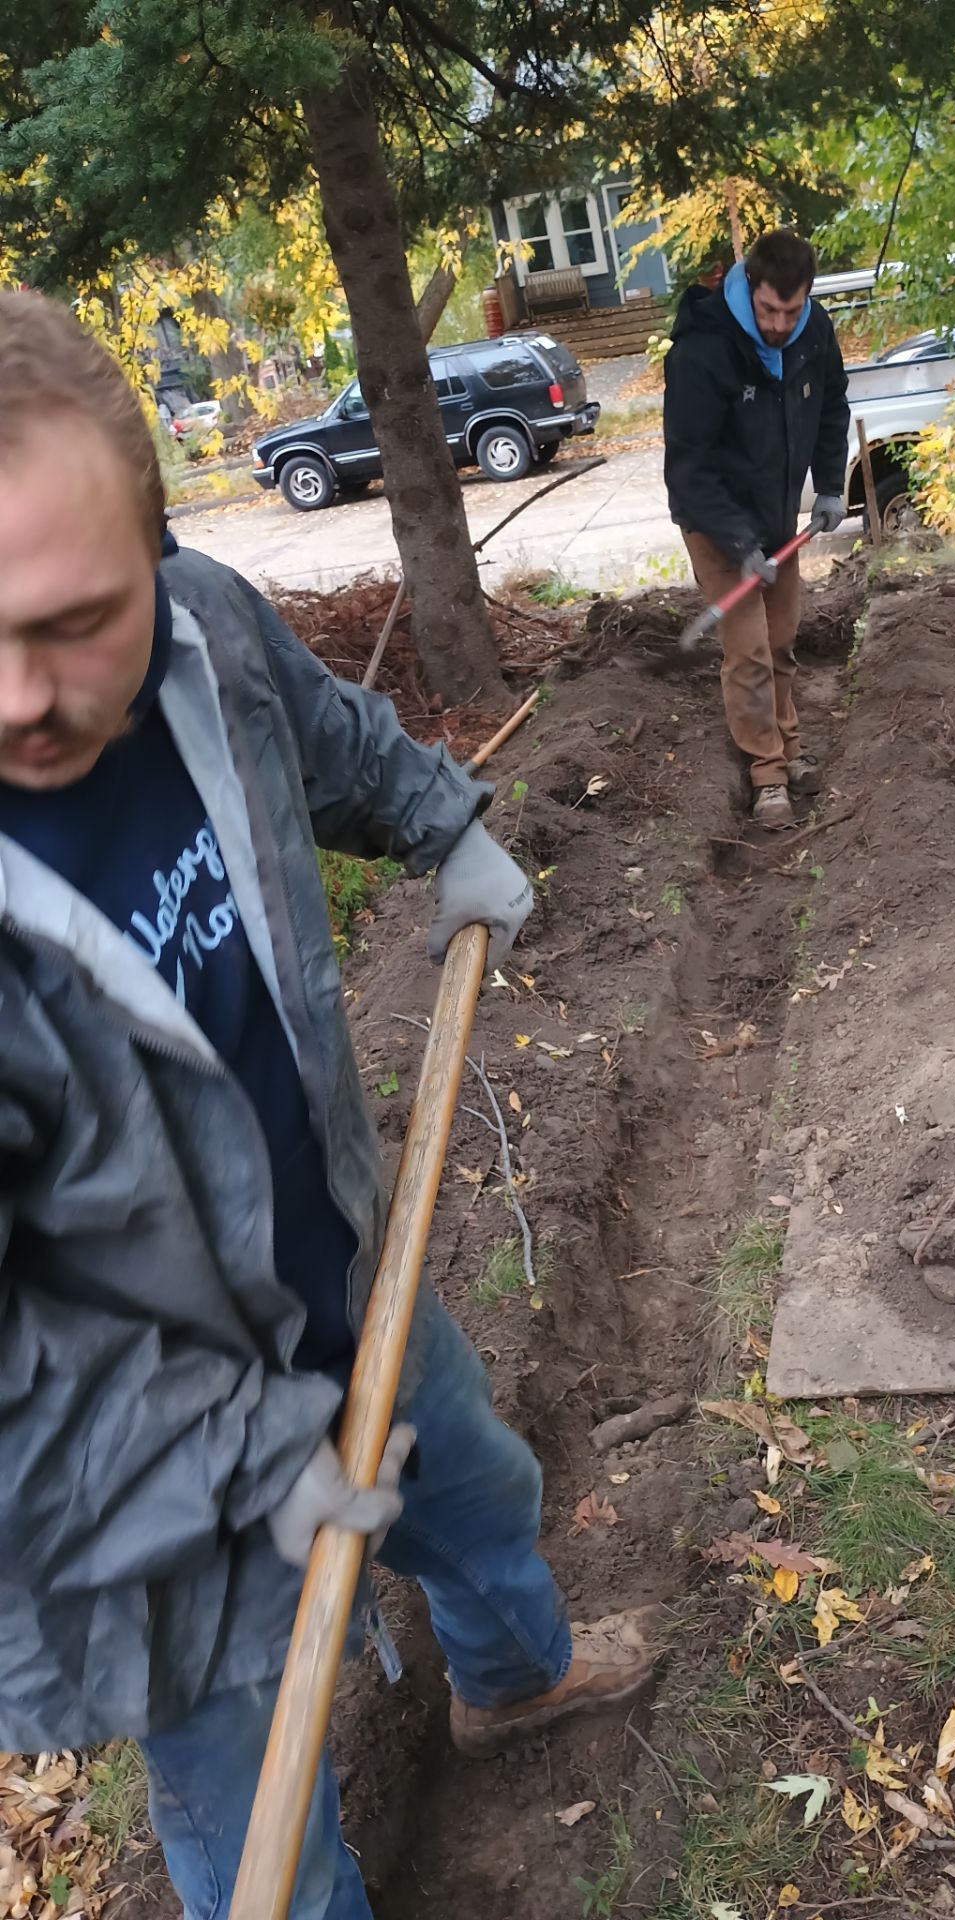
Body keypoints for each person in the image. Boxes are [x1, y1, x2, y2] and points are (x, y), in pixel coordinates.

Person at [0, 290, 654, 1920]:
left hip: (341, 1277)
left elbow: (329, 732)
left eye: (76, 622)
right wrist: (241, 1460)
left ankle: (510, 1685)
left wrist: (443, 824)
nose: (20, 693)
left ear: (157, 545)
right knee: (259, 1826)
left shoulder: (208, 634)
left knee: (483, 1500)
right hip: (132, 1468)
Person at [664, 230, 850, 829]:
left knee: (779, 641)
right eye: (769, 309)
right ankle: (766, 775)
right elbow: (688, 466)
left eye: (790, 311)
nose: (778, 324)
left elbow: (830, 405)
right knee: (746, 652)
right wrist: (740, 545)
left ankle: (791, 749)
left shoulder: (813, 331)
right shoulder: (704, 349)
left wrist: (828, 484)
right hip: (716, 522)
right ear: (749, 286)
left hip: (775, 520)